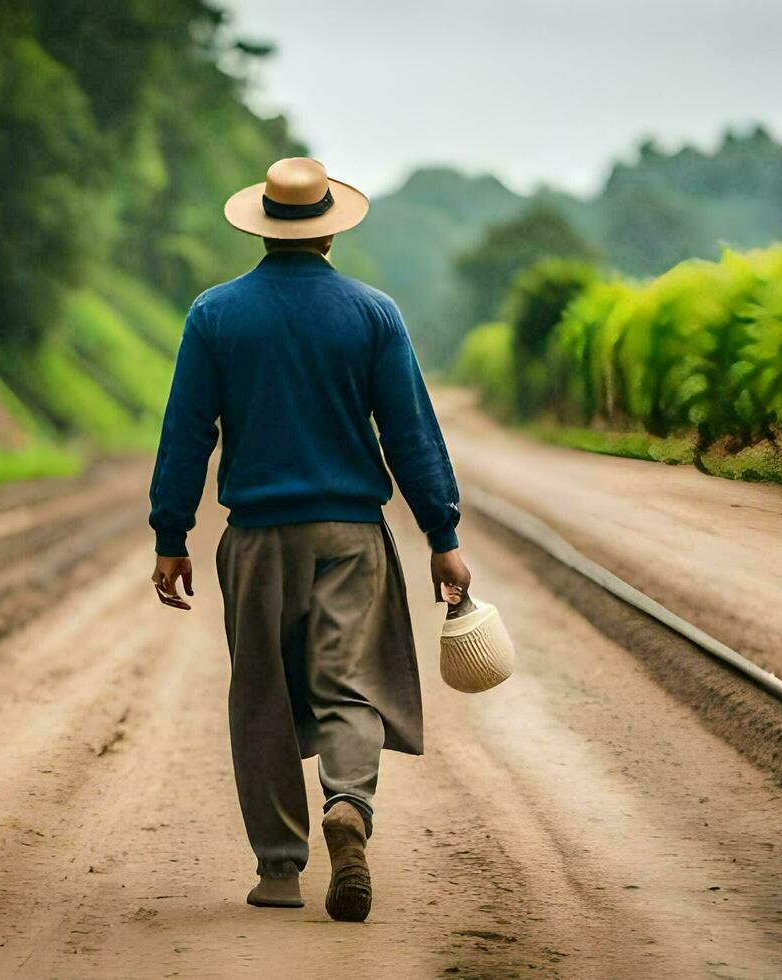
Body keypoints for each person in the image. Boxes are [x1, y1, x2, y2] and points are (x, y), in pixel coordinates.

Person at [148, 157, 470, 923]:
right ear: (330, 229)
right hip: (352, 534)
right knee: (349, 681)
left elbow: (186, 433)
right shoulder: (372, 314)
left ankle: (280, 870)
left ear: (263, 225)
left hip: (257, 537)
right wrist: (442, 533)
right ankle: (349, 805)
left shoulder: (215, 315)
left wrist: (171, 533)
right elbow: (410, 433)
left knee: (261, 691)